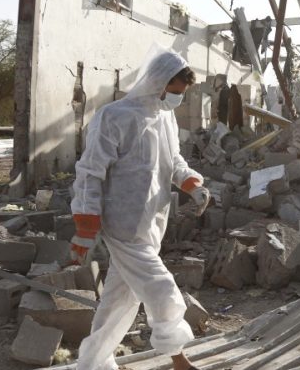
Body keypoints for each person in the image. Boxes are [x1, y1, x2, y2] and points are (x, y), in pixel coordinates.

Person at [70, 48, 209, 370]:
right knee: (161, 289)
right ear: (157, 82)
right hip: (121, 223)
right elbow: (90, 172)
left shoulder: (164, 117)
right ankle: (179, 359)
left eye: (180, 94)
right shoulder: (114, 116)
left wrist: (192, 185)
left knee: (119, 300)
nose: (176, 99)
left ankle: (92, 364)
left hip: (152, 222)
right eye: (173, 92)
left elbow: (174, 161)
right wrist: (86, 227)